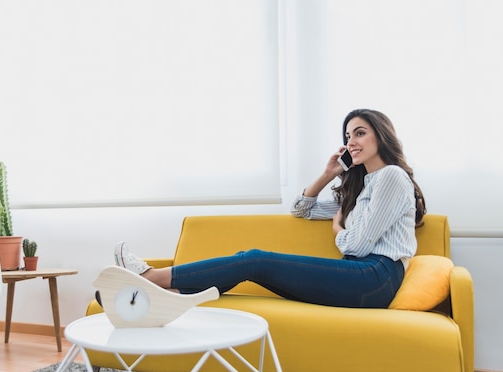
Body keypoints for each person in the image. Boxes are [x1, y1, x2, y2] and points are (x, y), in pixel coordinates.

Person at [114, 109, 426, 308]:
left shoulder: (391, 177)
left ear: (381, 136)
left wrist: (338, 229)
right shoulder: (360, 189)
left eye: (360, 132)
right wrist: (328, 175)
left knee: (254, 260)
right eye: (348, 136)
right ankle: (177, 297)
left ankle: (151, 278)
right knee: (253, 263)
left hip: (375, 277)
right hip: (361, 276)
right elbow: (301, 209)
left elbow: (358, 245)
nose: (352, 141)